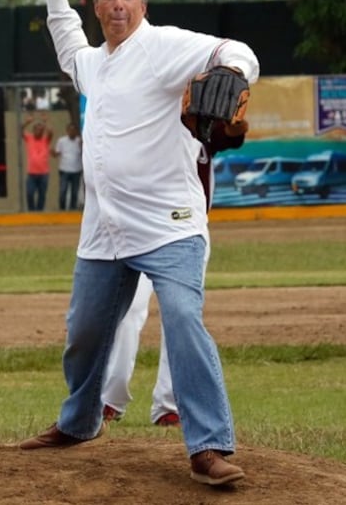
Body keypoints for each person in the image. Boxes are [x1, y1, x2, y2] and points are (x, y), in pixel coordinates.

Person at [19, 0, 259, 487]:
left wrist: (233, 72)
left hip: (169, 223)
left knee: (180, 318)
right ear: (97, 5)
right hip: (104, 229)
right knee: (83, 335)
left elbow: (234, 51)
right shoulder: (95, 63)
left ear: (142, 5)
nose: (119, 4)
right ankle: (80, 423)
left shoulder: (164, 47)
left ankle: (209, 446)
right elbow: (68, 46)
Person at [102, 120, 248, 428]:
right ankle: (109, 399)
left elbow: (231, 135)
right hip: (138, 231)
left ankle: (169, 405)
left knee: (180, 317)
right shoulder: (143, 118)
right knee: (127, 312)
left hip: (187, 235)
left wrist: (237, 124)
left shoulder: (201, 122)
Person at [21, 113, 53, 211]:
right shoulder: (29, 138)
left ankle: (39, 212)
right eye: (36, 129)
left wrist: (45, 122)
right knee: (29, 193)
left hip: (44, 173)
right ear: (33, 130)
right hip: (32, 173)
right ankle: (32, 211)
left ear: (43, 131)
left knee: (42, 195)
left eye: (40, 130)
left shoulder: (45, 140)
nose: (38, 131)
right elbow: (19, 130)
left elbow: (51, 132)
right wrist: (27, 122)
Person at [52, 122, 83, 211]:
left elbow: (83, 153)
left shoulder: (79, 141)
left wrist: (81, 144)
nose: (72, 132)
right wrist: (53, 153)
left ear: (76, 131)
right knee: (63, 191)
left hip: (76, 170)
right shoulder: (62, 141)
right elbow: (57, 153)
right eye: (70, 130)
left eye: (74, 130)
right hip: (64, 170)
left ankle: (72, 209)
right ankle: (62, 209)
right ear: (67, 131)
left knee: (74, 192)